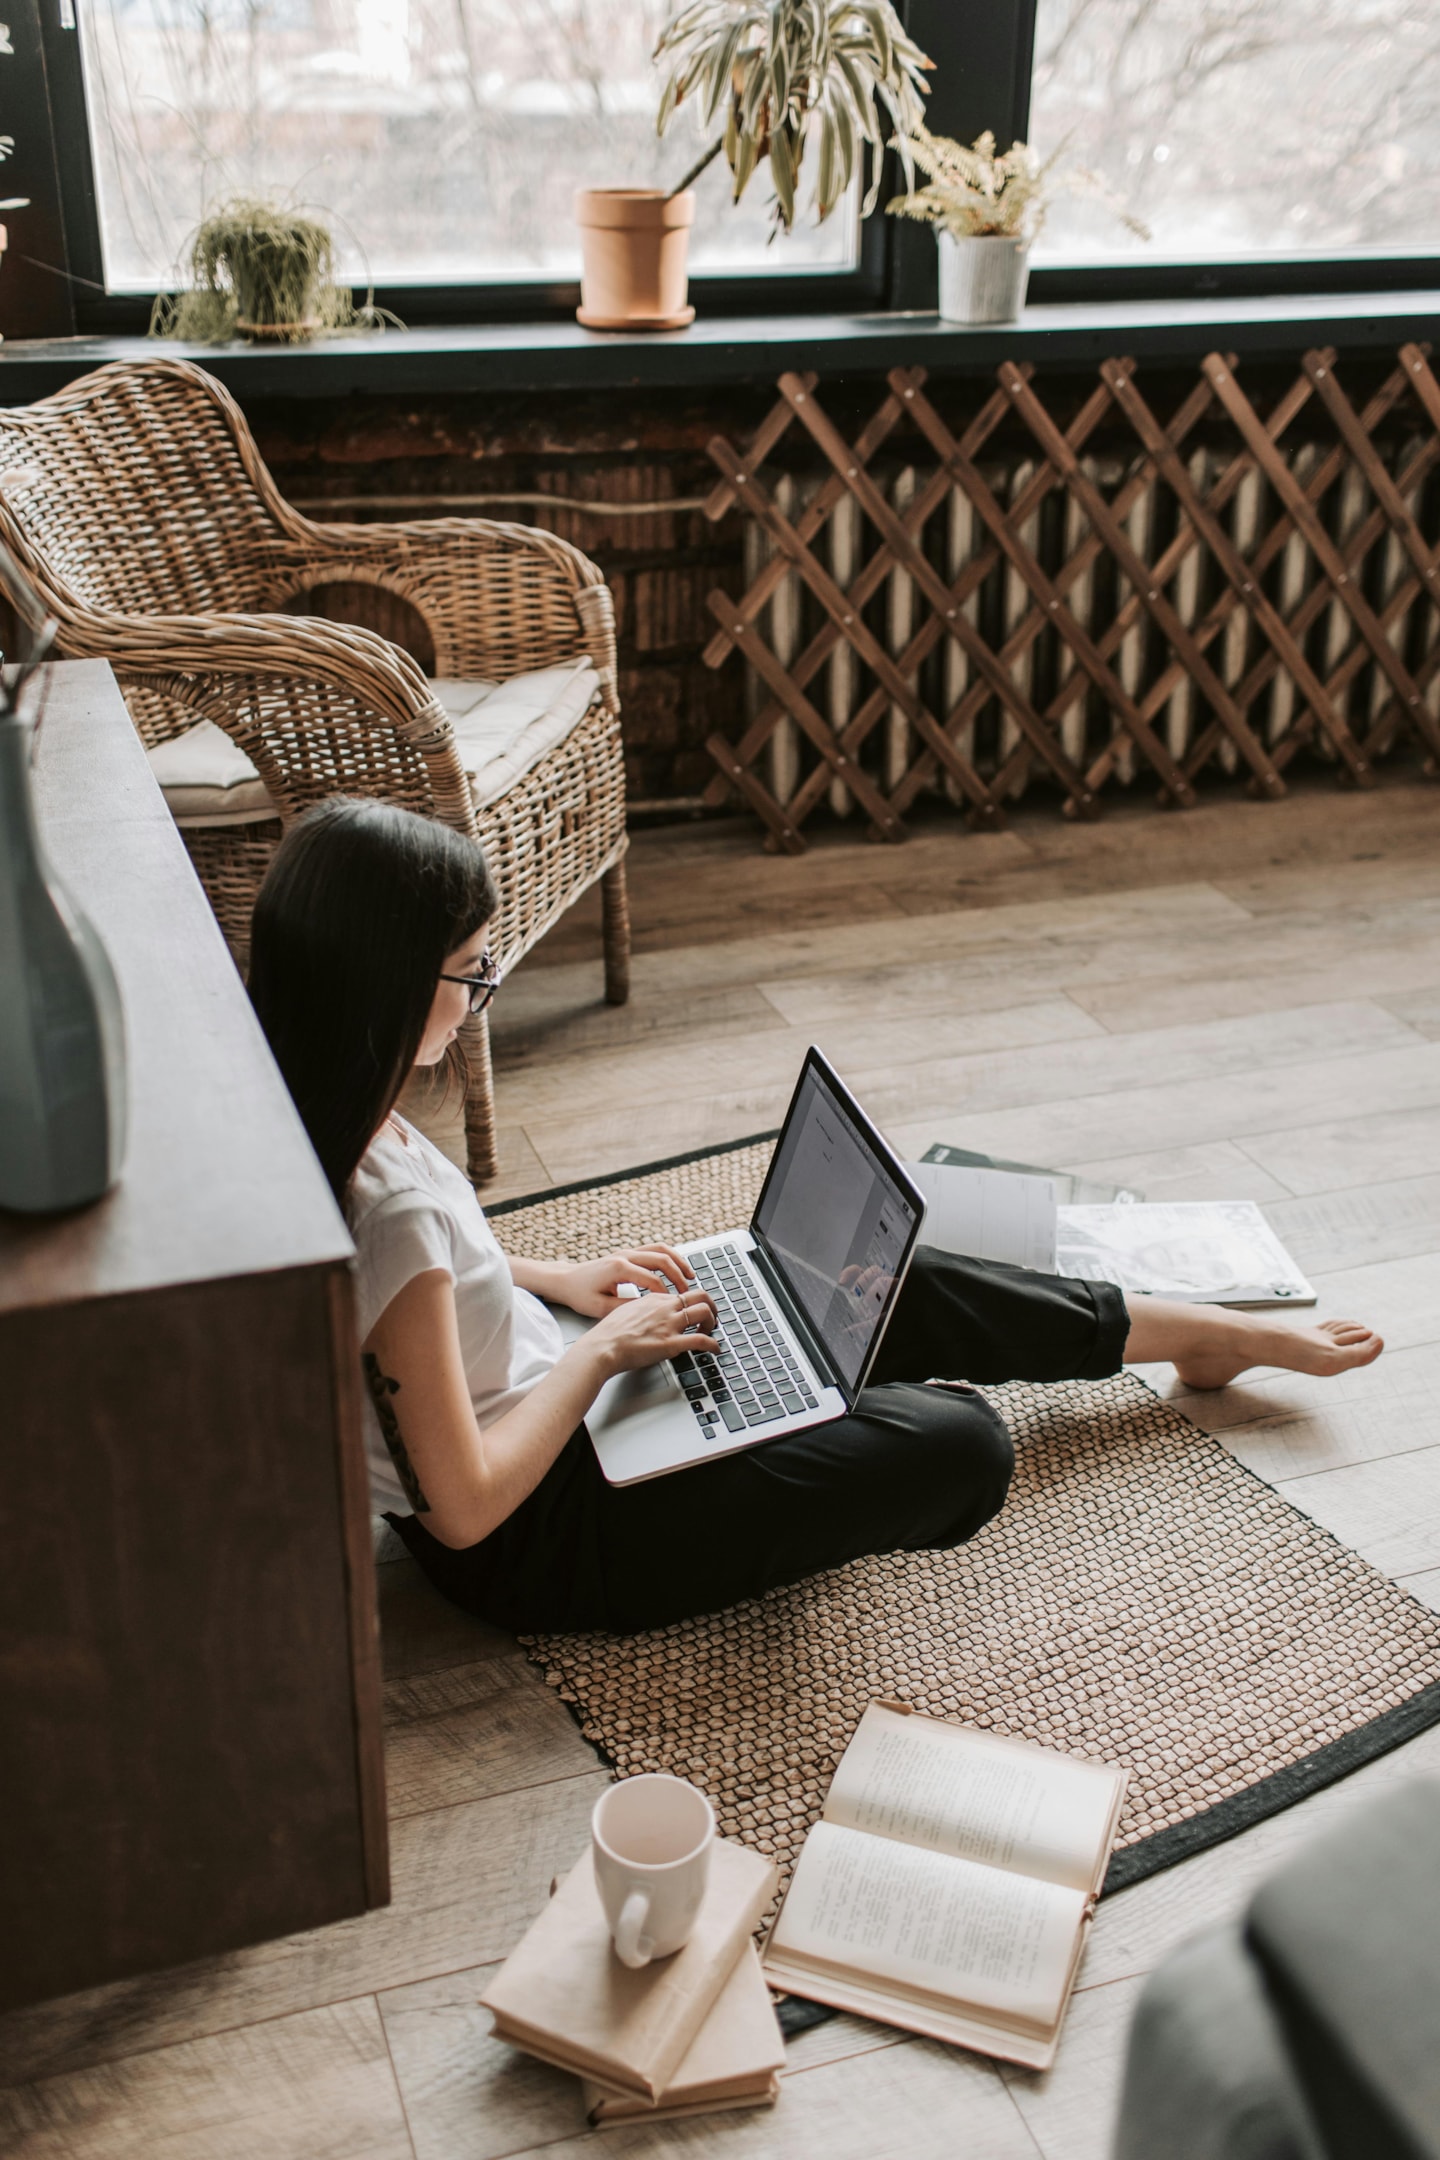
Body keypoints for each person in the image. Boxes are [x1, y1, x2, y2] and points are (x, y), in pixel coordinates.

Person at [248, 798, 1385, 1637]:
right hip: (549, 1537)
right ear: (393, 985)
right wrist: (601, 1358)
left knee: (886, 1281)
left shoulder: (324, 1103)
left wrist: (561, 1281)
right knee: (959, 1444)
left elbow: (428, 1276)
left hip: (560, 1404)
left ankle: (1195, 1333)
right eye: (470, 972)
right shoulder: (378, 1203)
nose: (482, 989)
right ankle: (788, 1407)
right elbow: (463, 1512)